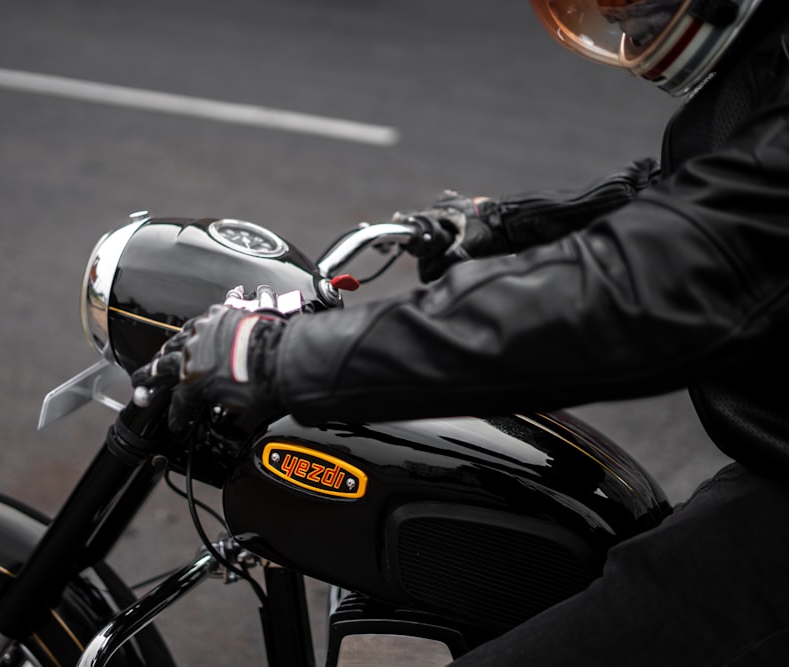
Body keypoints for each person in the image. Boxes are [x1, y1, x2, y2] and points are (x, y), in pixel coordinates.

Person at [134, 0, 789, 663]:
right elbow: (696, 190)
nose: (620, 18)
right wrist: (502, 223)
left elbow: (634, 285)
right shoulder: (767, 62)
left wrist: (273, 356)